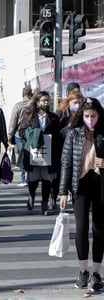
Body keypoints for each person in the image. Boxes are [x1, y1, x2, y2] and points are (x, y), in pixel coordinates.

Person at [59, 97, 104, 291]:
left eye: (93, 116)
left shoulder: (103, 132)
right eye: (87, 116)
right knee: (81, 227)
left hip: (100, 184)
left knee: (100, 229)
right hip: (80, 185)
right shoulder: (74, 133)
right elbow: (66, 163)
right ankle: (83, 270)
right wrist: (62, 191)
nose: (90, 119)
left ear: (99, 115)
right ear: (81, 116)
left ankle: (96, 273)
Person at [20, 91, 61, 215]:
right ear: (37, 102)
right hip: (33, 152)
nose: (46, 103)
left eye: (47, 100)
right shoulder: (29, 116)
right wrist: (32, 134)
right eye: (43, 100)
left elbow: (58, 136)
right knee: (33, 178)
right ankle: (31, 195)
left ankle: (44, 204)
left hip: (49, 153)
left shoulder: (53, 117)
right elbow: (21, 131)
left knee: (46, 180)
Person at [50, 89, 84, 209]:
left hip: (77, 151)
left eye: (80, 102)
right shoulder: (61, 114)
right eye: (75, 102)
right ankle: (54, 195)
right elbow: (53, 132)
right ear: (68, 102)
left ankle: (73, 195)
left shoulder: (84, 115)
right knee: (60, 174)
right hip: (61, 150)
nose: (78, 105)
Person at [7, 86, 34, 187]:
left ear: (22, 95)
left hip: (20, 134)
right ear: (31, 94)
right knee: (32, 156)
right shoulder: (34, 105)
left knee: (22, 156)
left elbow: (13, 121)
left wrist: (9, 135)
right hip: (32, 134)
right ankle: (32, 177)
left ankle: (24, 179)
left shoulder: (18, 106)